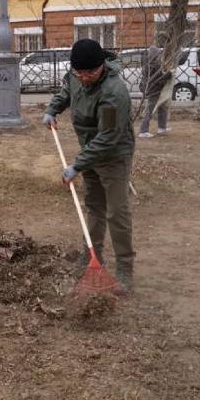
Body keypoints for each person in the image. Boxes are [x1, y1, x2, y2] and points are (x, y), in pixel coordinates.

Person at [42, 38, 136, 294]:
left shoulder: (113, 92)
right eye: (80, 72)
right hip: (89, 151)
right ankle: (92, 257)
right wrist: (53, 109)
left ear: (102, 66)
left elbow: (108, 138)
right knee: (94, 207)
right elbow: (67, 92)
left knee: (117, 212)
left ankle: (125, 270)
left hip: (114, 155)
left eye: (90, 73)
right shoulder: (76, 76)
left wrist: (77, 166)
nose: (84, 78)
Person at [138, 45, 173, 138]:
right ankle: (143, 131)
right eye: (158, 54)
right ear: (155, 55)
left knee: (162, 107)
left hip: (155, 90)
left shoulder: (150, 65)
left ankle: (162, 128)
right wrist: (168, 74)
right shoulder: (152, 66)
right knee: (149, 110)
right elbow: (158, 79)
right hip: (153, 91)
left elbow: (158, 77)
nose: (159, 56)